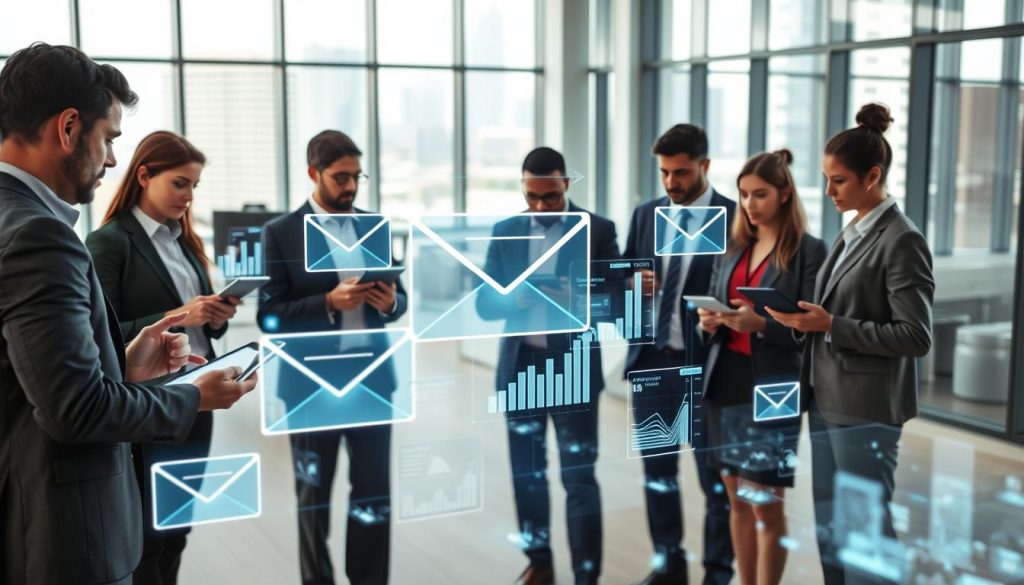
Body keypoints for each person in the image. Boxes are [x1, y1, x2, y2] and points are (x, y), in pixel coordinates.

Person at [0, 43, 254, 585]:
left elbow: (31, 377)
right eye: (109, 139)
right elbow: (76, 410)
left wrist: (122, 362)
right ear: (68, 128)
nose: (112, 159)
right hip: (65, 540)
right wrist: (192, 394)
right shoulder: (41, 235)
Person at [767, 104, 934, 585]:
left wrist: (831, 325)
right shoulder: (854, 229)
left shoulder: (901, 239)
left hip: (866, 409)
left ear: (873, 175)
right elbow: (831, 314)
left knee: (864, 531)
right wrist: (801, 320)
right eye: (826, 179)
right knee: (830, 527)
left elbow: (915, 336)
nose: (828, 191)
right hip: (825, 398)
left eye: (838, 180)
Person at [86, 130, 243, 585]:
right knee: (150, 532)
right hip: (149, 403)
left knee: (178, 526)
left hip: (200, 397)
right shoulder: (110, 243)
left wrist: (213, 315)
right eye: (180, 183)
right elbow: (101, 335)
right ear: (143, 176)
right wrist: (180, 313)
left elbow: (202, 324)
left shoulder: (185, 242)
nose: (189, 196)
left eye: (195, 186)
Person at [257, 129, 407, 585]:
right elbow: (268, 315)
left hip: (373, 381)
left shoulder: (374, 225)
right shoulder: (280, 233)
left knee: (373, 496)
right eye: (340, 177)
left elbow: (402, 299)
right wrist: (327, 303)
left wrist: (391, 305)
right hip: (309, 386)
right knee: (313, 498)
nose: (350, 187)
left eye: (356, 177)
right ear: (313, 173)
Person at [475, 147, 620, 585]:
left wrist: (574, 300)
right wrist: (512, 297)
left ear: (566, 185)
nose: (540, 207)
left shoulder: (598, 229)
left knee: (579, 478)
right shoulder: (506, 230)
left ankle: (585, 576)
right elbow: (483, 304)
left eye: (550, 197)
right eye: (532, 196)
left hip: (574, 368)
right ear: (524, 187)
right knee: (527, 474)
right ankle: (540, 564)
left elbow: (616, 303)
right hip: (521, 368)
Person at [696, 149, 826, 585]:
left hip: (773, 390)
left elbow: (810, 329)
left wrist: (761, 325)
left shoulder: (809, 251)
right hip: (726, 380)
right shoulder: (735, 247)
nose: (750, 204)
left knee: (765, 505)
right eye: (744, 195)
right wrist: (709, 322)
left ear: (786, 195)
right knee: (736, 503)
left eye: (761, 194)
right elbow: (717, 309)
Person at [622, 123, 737, 585]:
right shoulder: (647, 214)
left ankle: (717, 574)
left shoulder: (734, 218)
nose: (672, 183)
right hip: (652, 363)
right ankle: (668, 566)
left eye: (682, 172)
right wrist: (631, 283)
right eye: (665, 172)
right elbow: (624, 275)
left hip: (707, 370)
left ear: (705, 166)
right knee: (658, 476)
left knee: (715, 484)